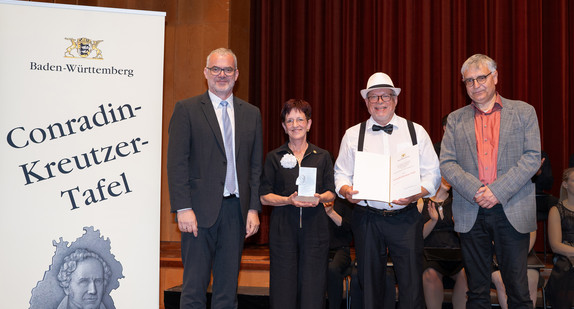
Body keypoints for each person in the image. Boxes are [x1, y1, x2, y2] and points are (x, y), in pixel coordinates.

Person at [440, 53, 541, 309]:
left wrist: (496, 191)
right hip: (470, 209)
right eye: (469, 81)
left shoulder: (523, 112)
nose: (476, 85)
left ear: (495, 76)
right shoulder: (454, 119)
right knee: (477, 292)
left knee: (517, 290)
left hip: (512, 207)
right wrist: (477, 190)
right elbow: (447, 164)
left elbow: (532, 158)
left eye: (481, 78)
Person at [334, 72, 441, 308]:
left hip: (405, 218)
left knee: (411, 283)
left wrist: (417, 193)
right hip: (367, 218)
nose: (379, 101)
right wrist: (345, 190)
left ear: (395, 100)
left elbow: (433, 173)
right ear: (366, 102)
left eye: (385, 96)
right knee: (369, 282)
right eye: (373, 97)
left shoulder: (416, 131)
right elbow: (340, 173)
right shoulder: (353, 135)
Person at [167, 47, 262, 308]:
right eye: (216, 69)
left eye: (228, 69)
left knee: (227, 290)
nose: (222, 74)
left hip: (236, 212)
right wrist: (183, 208)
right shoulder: (186, 109)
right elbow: (176, 164)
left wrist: (253, 208)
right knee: (194, 288)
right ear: (206, 73)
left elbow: (255, 167)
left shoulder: (251, 113)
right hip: (197, 212)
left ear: (237, 74)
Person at [259, 99, 336, 309]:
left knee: (314, 289)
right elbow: (264, 196)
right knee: (282, 290)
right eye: (289, 120)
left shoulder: (323, 156)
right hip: (283, 230)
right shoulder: (274, 157)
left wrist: (320, 198)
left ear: (309, 124)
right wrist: (287, 200)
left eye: (300, 119)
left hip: (315, 231)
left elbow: (332, 192)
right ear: (284, 126)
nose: (295, 125)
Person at [419, 177, 468, 309]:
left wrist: (458, 225)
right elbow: (418, 237)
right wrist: (433, 221)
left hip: (455, 252)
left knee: (467, 273)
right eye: (443, 176)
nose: (448, 180)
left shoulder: (458, 200)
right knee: (430, 273)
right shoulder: (421, 201)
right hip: (430, 253)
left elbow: (466, 236)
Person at [545, 168, 574, 308]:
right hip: (564, 255)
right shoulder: (556, 210)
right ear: (565, 184)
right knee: (566, 267)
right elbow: (556, 245)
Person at [491, 231, 542, 309]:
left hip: (524, 252)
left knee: (530, 280)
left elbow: (532, 234)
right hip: (495, 255)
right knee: (501, 280)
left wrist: (517, 256)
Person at [324, 197, 354, 309]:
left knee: (332, 269)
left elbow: (349, 228)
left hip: (341, 248)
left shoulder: (344, 201)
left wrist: (331, 213)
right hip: (319, 249)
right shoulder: (315, 199)